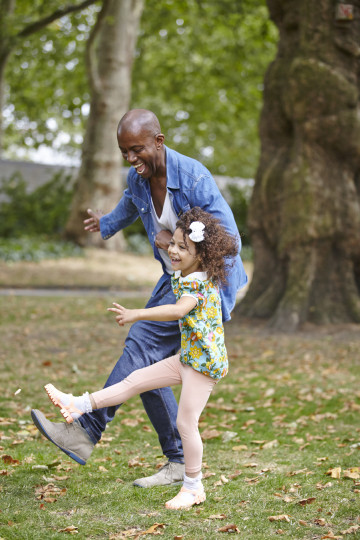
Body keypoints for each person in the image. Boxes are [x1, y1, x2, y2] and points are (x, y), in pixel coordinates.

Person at [31, 108, 247, 489]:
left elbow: (231, 241)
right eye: (124, 152)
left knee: (140, 350)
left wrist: (178, 244)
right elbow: (131, 204)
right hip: (174, 281)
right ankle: (178, 460)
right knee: (147, 365)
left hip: (205, 287)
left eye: (137, 150)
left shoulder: (194, 177)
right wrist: (106, 224)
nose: (131, 160)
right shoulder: (139, 179)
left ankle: (85, 430)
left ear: (158, 142)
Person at [40, 208, 238, 510]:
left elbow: (177, 311)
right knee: (136, 379)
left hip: (202, 366)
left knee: (186, 422)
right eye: (173, 243)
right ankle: (77, 405)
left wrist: (137, 314)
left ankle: (193, 486)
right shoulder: (188, 271)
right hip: (188, 359)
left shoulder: (197, 283)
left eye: (182, 247)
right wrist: (172, 244)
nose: (173, 250)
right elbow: (176, 256)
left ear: (200, 255)